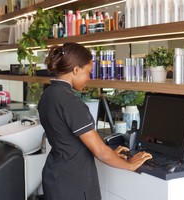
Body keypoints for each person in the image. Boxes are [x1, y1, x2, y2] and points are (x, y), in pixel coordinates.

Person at [38, 42, 152, 200]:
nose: (89, 78)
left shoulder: (48, 94)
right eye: (88, 72)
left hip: (55, 176)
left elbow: (68, 140)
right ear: (76, 70)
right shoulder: (70, 102)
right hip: (74, 183)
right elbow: (101, 152)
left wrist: (110, 152)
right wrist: (129, 165)